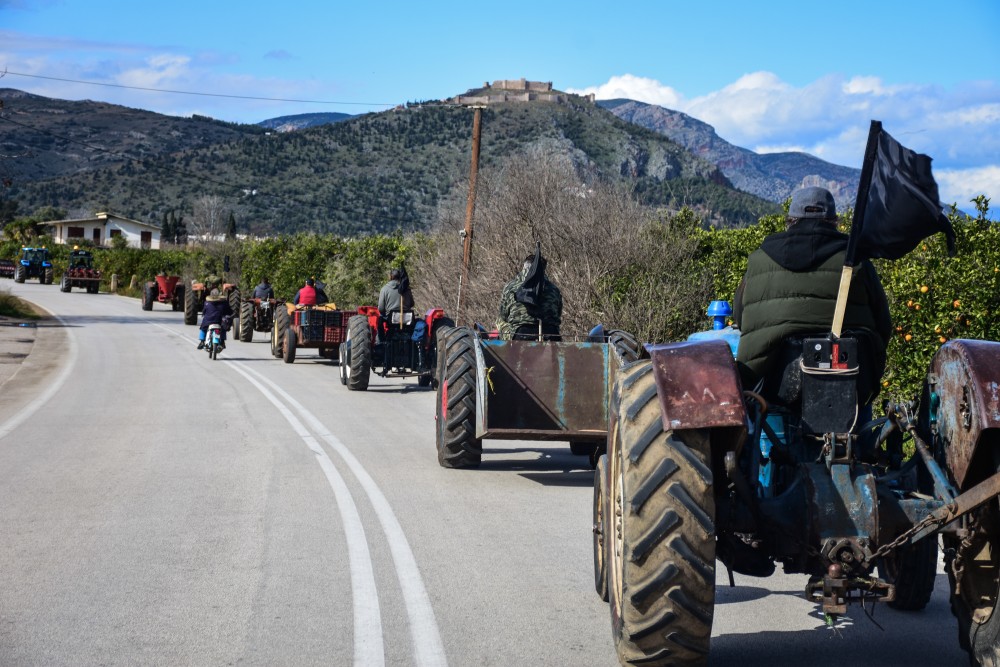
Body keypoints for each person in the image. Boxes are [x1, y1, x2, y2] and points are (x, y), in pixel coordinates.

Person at [733, 186, 891, 406]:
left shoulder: (759, 259)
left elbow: (741, 318)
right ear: (834, 221)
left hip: (777, 385)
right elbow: (883, 325)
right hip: (850, 382)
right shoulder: (856, 260)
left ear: (790, 220)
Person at [496, 253, 563, 341]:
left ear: (524, 267)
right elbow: (558, 313)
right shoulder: (554, 289)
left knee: (499, 320)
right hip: (551, 336)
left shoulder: (510, 287)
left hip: (520, 336)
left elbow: (504, 315)